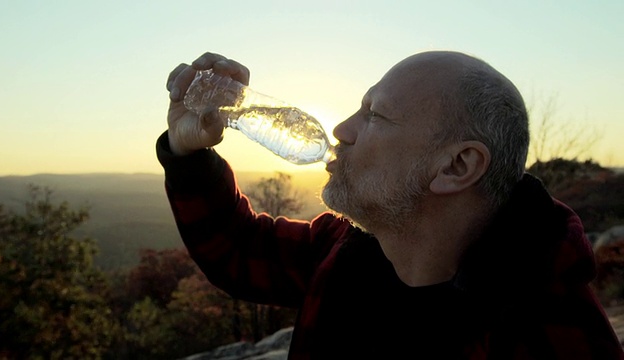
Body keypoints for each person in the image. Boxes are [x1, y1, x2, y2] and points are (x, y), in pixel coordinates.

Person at [157, 51, 624, 359]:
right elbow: (239, 251)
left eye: (375, 115)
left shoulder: (550, 336)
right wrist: (187, 153)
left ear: (457, 166)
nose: (341, 129)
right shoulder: (349, 249)